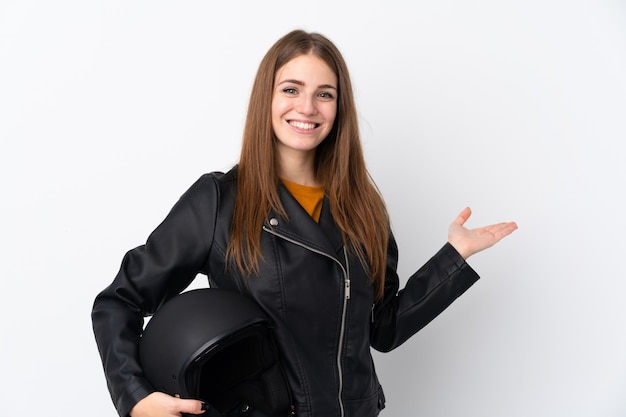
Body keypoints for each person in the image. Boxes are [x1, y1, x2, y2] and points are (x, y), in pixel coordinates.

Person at [92, 29, 518, 417]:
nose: (307, 108)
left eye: (325, 94)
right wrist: (135, 397)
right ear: (268, 98)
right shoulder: (220, 200)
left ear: (339, 107)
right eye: (292, 89)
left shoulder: (362, 206)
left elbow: (382, 328)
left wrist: (454, 258)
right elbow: (120, 300)